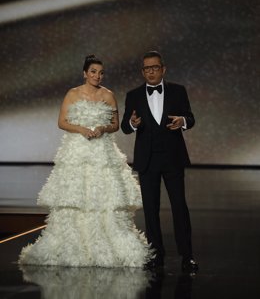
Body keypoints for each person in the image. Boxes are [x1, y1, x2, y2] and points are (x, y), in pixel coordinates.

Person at [19, 54, 153, 268]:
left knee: (104, 198)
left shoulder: (108, 95)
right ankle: (72, 246)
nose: (97, 76)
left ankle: (106, 244)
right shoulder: (72, 94)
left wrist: (102, 128)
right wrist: (80, 129)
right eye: (93, 71)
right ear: (84, 73)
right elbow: (62, 122)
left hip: (102, 151)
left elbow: (116, 124)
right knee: (75, 196)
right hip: (77, 151)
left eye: (100, 73)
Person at [121, 50, 198, 273]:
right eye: (147, 68)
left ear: (163, 69)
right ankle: (156, 255)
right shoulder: (133, 95)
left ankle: (187, 255)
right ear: (142, 71)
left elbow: (190, 118)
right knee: (150, 210)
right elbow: (126, 126)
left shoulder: (177, 91)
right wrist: (133, 123)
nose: (151, 71)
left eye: (155, 67)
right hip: (147, 160)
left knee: (179, 207)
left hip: (173, 158)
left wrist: (182, 120)